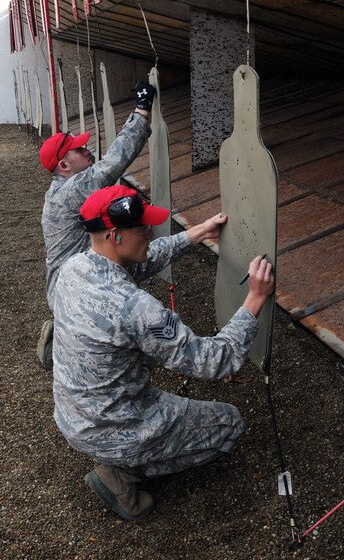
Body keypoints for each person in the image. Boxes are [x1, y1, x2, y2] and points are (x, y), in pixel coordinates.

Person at [52, 184, 274, 523]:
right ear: (114, 235)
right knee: (229, 423)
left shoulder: (74, 268)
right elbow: (216, 361)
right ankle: (122, 474)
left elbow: (142, 261)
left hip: (74, 416)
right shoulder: (134, 308)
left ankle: (120, 458)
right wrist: (255, 298)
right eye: (143, 228)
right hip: (115, 424)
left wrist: (197, 233)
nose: (151, 231)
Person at [36, 81, 156, 369]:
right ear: (64, 166)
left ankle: (64, 330)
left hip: (66, 284)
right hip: (75, 289)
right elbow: (114, 162)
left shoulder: (60, 191)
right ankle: (63, 341)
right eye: (79, 150)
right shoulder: (71, 191)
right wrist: (141, 110)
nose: (87, 150)